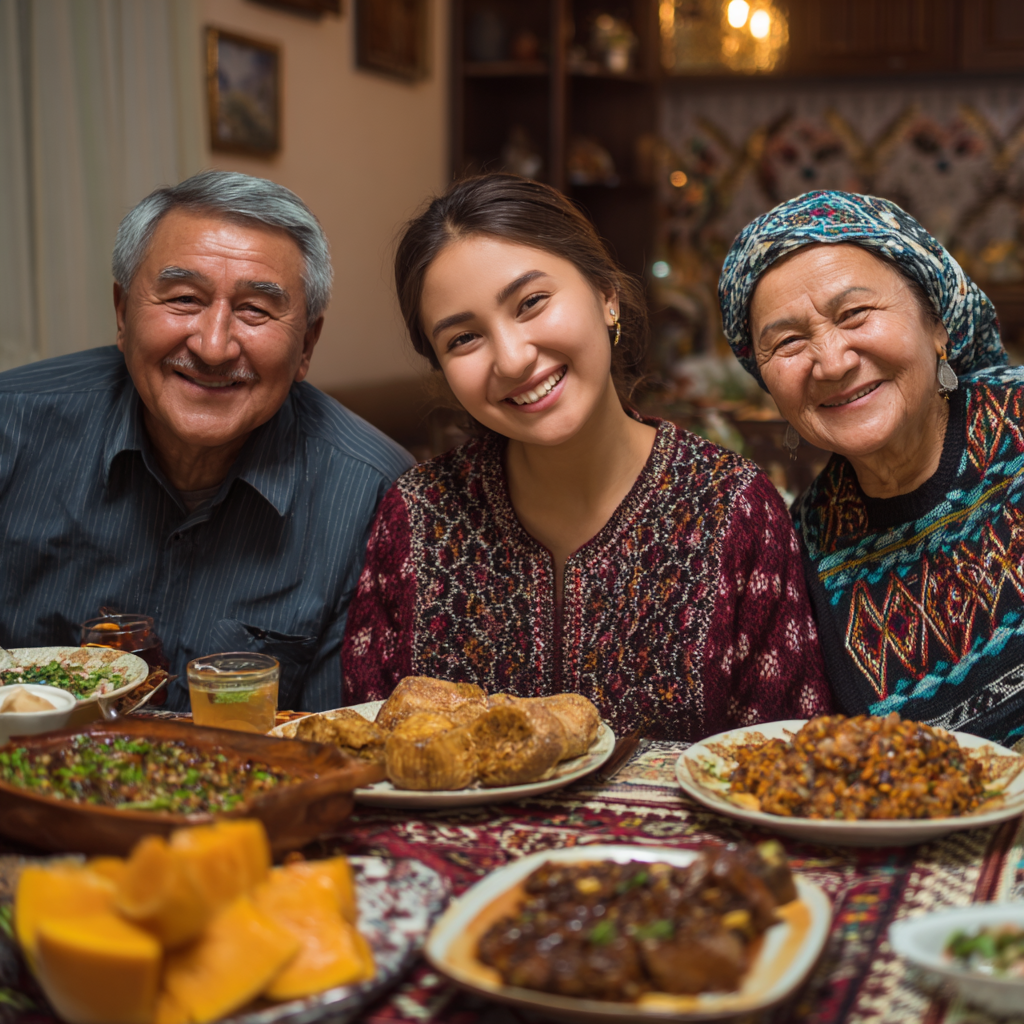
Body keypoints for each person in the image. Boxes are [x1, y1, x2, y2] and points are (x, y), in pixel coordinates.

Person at [341, 174, 830, 741]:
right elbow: (369, 751)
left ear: (606, 295)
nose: (513, 358)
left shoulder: (733, 510)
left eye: (531, 303)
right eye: (463, 339)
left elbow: (786, 760)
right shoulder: (419, 516)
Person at [0, 170, 412, 712]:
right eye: (184, 299)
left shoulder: (376, 496)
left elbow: (330, 747)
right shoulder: (13, 428)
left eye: (255, 310)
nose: (214, 347)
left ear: (307, 344)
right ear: (123, 313)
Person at [718, 189, 1023, 746]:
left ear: (937, 324)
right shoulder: (804, 545)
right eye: (787, 342)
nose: (833, 362)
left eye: (855, 314)